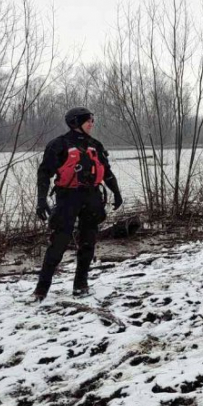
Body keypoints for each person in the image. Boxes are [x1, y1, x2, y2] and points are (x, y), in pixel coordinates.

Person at [33, 107, 122, 301]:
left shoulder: (95, 145)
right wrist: (41, 200)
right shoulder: (59, 145)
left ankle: (80, 285)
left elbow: (106, 172)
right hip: (68, 198)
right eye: (88, 120)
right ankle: (41, 290)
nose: (92, 123)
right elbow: (44, 173)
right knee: (58, 244)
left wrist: (116, 191)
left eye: (92, 119)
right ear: (75, 122)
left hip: (92, 197)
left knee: (88, 243)